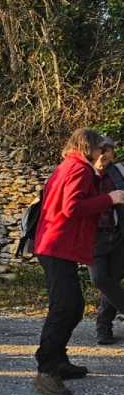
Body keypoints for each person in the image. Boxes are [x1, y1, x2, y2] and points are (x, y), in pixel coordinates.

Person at [33, 129, 124, 395]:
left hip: (56, 246)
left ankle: (57, 361)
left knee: (71, 306)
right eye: (99, 148)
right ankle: (47, 369)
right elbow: (71, 207)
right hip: (57, 246)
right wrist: (110, 198)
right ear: (88, 147)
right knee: (65, 307)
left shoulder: (71, 166)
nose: (102, 153)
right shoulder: (78, 169)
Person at [89, 137, 124, 345]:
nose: (104, 154)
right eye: (100, 150)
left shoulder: (120, 171)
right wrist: (97, 170)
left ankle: (103, 327)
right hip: (95, 236)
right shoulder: (85, 173)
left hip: (118, 234)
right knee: (100, 279)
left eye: (107, 150)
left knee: (112, 281)